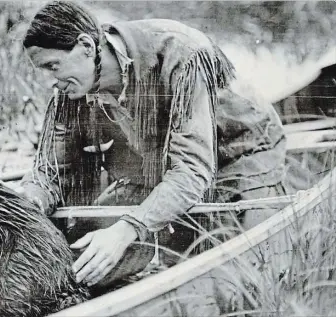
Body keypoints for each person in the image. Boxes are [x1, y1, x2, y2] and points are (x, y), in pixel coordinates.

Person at [17, 0, 287, 287]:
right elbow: (51, 170)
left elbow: (193, 170)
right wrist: (28, 202)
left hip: (239, 153)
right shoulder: (73, 89)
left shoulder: (182, 54)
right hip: (160, 163)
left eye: (52, 66)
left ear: (86, 46)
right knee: (79, 258)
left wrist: (128, 229)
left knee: (228, 276)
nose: (50, 81)